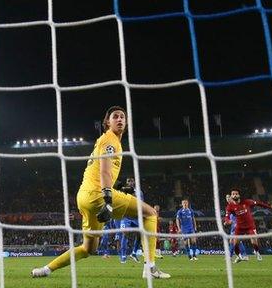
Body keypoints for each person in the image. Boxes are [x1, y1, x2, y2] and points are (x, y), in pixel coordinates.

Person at [31, 106, 170, 279]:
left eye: (122, 117)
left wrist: (119, 186)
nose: (119, 119)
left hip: (84, 196)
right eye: (115, 117)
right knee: (150, 214)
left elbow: (99, 171)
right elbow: (104, 170)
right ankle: (150, 268)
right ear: (107, 122)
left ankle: (46, 269)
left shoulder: (106, 141)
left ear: (126, 123)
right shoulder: (110, 140)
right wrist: (108, 198)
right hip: (98, 195)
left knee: (88, 248)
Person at [224, 188, 272, 263]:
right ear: (231, 196)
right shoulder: (230, 207)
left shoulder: (246, 202)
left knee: (253, 238)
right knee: (234, 242)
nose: (234, 195)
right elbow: (227, 216)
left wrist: (269, 206)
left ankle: (257, 252)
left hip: (249, 225)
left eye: (236, 194)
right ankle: (239, 256)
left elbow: (258, 203)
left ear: (239, 195)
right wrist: (227, 221)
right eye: (233, 194)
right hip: (239, 226)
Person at [225, 194, 248, 262]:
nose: (228, 199)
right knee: (234, 241)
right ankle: (242, 255)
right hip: (234, 226)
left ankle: (232, 256)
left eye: (229, 197)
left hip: (237, 225)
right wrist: (227, 222)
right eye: (226, 198)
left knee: (233, 240)